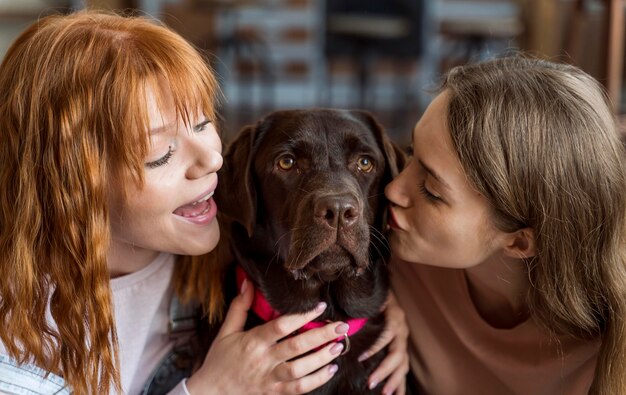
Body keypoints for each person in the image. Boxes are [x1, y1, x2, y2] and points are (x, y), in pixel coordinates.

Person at [0, 10, 408, 395]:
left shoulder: (222, 259)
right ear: (72, 183)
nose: (213, 160)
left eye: (202, 123)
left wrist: (381, 315)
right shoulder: (13, 353)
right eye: (161, 152)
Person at [385, 55, 626, 394]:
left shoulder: (607, 333)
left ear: (519, 242)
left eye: (432, 191)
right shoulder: (392, 247)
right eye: (411, 152)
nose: (392, 189)